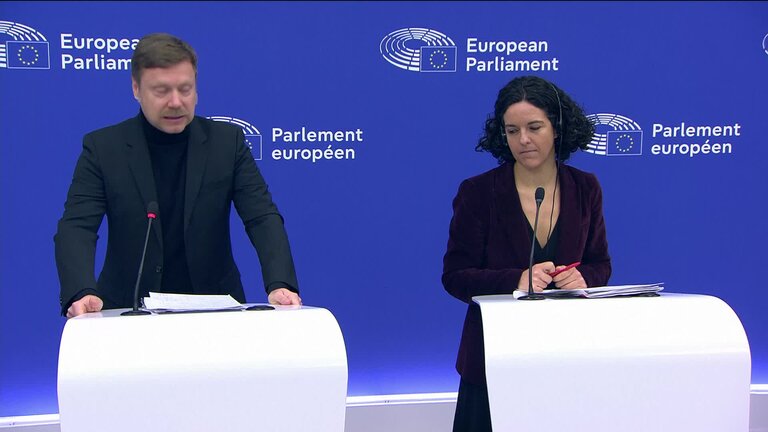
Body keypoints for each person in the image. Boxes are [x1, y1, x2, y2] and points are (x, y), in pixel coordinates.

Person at [55, 33, 301, 318]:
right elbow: (78, 226)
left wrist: (279, 282)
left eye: (185, 89)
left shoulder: (227, 143)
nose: (176, 102)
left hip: (215, 308)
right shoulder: (103, 148)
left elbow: (261, 217)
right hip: (127, 309)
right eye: (161, 91)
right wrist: (80, 290)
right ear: (136, 88)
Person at [442, 75, 611, 431]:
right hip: (493, 358)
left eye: (534, 127)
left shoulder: (585, 187)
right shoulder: (478, 192)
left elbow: (600, 264)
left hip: (567, 353)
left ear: (558, 127)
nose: (523, 140)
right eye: (512, 130)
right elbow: (455, 276)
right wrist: (515, 280)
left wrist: (585, 278)